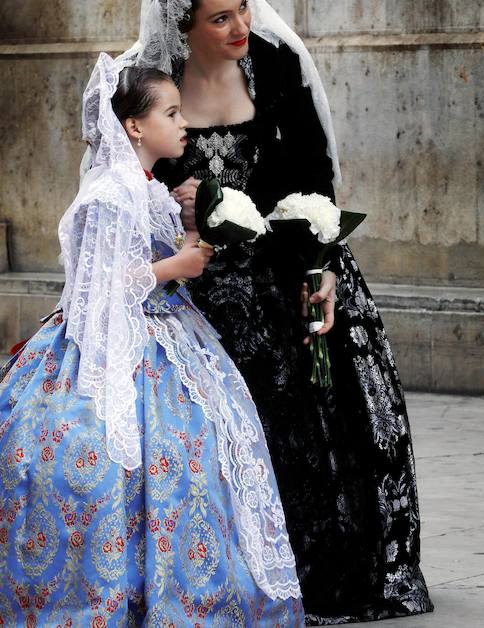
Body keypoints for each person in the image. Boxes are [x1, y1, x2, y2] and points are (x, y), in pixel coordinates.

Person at [143, 0, 433, 623]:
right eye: (220, 17)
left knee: (324, 406)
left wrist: (321, 268)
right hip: (200, 275)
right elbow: (125, 178)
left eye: (243, 7)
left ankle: (327, 570)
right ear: (182, 27)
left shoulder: (274, 65)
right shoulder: (150, 83)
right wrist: (174, 205)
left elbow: (313, 176)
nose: (241, 26)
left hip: (288, 259)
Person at [0, 53, 303, 626]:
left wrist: (192, 226)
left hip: (168, 333)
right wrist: (176, 266)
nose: (184, 122)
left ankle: (191, 588)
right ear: (135, 126)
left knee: (205, 455)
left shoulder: (148, 188)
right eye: (171, 112)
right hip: (117, 340)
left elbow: (168, 257)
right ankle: (116, 590)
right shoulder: (109, 192)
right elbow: (96, 285)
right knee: (123, 462)